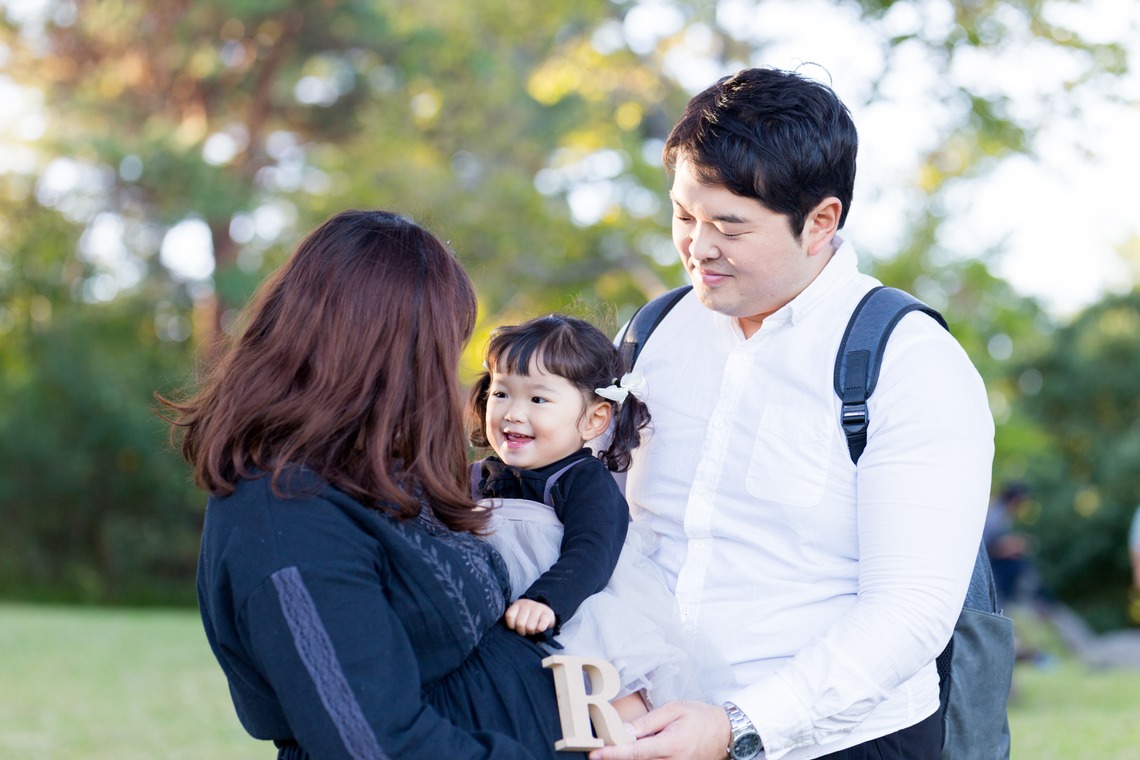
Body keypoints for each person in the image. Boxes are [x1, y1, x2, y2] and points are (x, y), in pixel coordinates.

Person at [592, 68, 995, 760]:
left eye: (729, 226)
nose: (697, 247)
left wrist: (737, 726)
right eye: (684, 215)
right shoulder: (653, 336)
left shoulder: (907, 360)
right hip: (645, 731)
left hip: (841, 741)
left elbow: (909, 613)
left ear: (820, 222)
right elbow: (609, 531)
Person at [158, 209, 587, 759]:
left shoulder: (369, 476)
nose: (445, 376)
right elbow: (375, 747)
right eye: (441, 351)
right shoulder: (286, 519)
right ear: (389, 358)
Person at [467, 314, 732, 717]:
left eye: (537, 399)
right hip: (500, 614)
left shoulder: (582, 480)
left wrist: (548, 600)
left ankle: (633, 736)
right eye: (502, 394)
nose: (513, 413)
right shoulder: (483, 476)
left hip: (572, 602)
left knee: (611, 683)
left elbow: (593, 550)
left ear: (593, 419)